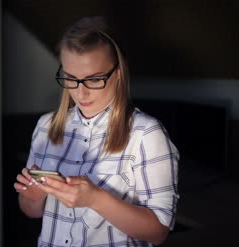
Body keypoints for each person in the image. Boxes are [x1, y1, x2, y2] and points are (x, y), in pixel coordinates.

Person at [14, 16, 179, 247]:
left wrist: (95, 199)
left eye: (94, 80)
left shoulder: (146, 134)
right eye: (71, 78)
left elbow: (158, 232)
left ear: (119, 72)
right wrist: (33, 196)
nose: (81, 93)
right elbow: (31, 211)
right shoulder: (45, 126)